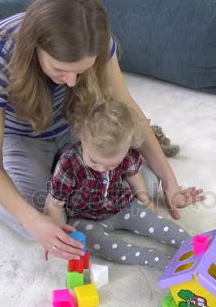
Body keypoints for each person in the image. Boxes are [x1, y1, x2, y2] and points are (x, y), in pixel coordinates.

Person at [0, 0, 204, 261]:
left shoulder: (98, 41)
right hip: (23, 137)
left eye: (80, 71)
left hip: (80, 125)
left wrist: (169, 181)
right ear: (36, 46)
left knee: (141, 183)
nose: (71, 81)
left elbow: (129, 110)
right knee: (35, 219)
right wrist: (35, 222)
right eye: (60, 69)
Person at [45, 99, 190, 269]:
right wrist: (53, 231)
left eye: (111, 165)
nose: (101, 169)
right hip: (84, 216)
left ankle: (190, 243)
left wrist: (144, 199)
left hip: (122, 205)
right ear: (82, 138)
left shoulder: (126, 153)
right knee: (93, 241)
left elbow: (133, 174)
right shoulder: (68, 164)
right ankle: (150, 257)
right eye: (94, 161)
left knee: (155, 222)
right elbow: (55, 203)